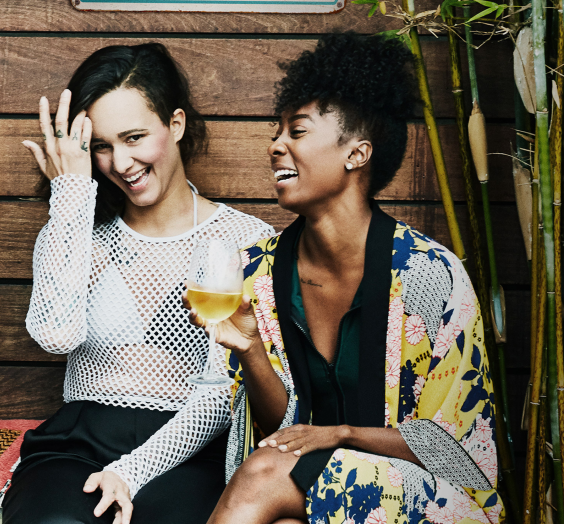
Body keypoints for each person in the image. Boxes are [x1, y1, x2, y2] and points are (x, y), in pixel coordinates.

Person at [192, 33, 503, 524]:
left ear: (357, 154)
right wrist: (249, 349)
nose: (275, 146)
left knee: (267, 474)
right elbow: (277, 436)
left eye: (296, 131)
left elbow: (461, 454)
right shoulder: (256, 272)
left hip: (435, 503)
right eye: (276, 133)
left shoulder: (430, 275)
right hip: (299, 490)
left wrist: (340, 434)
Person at [3, 43, 288, 524]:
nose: (120, 162)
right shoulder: (78, 233)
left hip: (189, 454)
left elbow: (223, 394)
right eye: (102, 146)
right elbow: (55, 335)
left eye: (134, 137)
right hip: (77, 446)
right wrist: (70, 193)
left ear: (175, 124)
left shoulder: (245, 240)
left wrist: (132, 471)